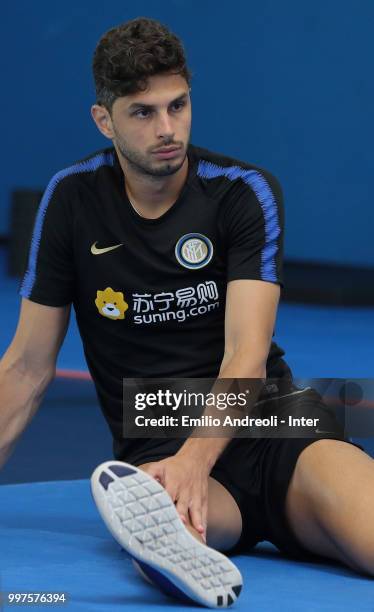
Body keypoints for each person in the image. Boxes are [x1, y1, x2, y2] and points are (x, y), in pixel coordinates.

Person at [1, 15, 374, 609]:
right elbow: (24, 367)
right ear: (105, 120)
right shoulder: (71, 200)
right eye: (143, 112)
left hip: (274, 426)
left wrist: (197, 457)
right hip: (155, 448)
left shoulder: (241, 191)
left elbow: (246, 353)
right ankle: (171, 543)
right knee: (163, 520)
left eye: (178, 106)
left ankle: (309, 524)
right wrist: (181, 466)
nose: (167, 128)